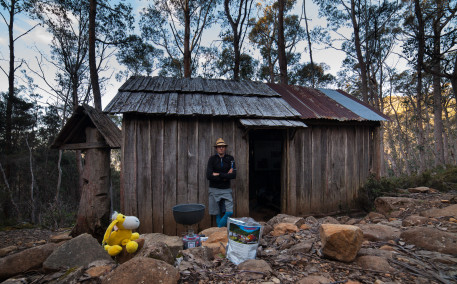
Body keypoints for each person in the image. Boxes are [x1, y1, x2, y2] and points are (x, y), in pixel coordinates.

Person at [206, 138, 236, 227]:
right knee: (217, 212)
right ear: (216, 148)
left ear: (225, 148)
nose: (221, 148)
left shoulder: (230, 159)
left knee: (230, 212)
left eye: (223, 146)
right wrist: (225, 176)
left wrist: (218, 174)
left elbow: (233, 175)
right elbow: (209, 176)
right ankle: (219, 233)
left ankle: (218, 229)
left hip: (226, 189)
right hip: (214, 189)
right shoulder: (212, 159)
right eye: (219, 147)